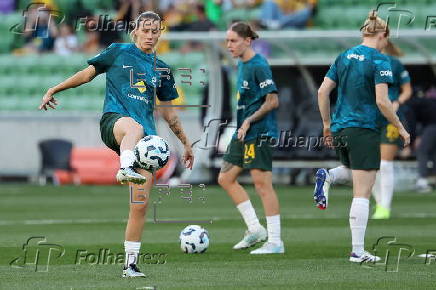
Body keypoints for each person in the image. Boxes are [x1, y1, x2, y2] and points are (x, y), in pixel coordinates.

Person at [39, 11, 194, 277]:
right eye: (145, 30)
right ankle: (124, 166)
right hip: (115, 123)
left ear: (160, 33)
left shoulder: (163, 69)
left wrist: (185, 143)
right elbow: (86, 75)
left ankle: (130, 265)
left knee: (141, 204)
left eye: (155, 31)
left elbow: (168, 113)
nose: (150, 35)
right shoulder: (118, 51)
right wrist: (54, 89)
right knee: (132, 126)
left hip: (145, 141)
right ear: (135, 31)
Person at [314, 10, 410, 263]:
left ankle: (329, 175)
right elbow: (382, 101)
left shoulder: (343, 56)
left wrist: (326, 124)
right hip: (364, 128)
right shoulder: (380, 60)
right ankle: (357, 251)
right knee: (363, 191)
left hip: (340, 127)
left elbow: (322, 92)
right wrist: (400, 126)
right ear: (383, 35)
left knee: (354, 172)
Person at [218, 22, 284, 254]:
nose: (229, 45)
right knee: (226, 178)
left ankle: (275, 241)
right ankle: (255, 229)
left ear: (248, 40)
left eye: (233, 41)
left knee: (262, 185)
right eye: (227, 41)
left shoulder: (259, 65)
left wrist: (248, 120)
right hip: (244, 131)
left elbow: (273, 100)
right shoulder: (241, 64)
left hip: (260, 131)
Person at [371, 41, 412, 219]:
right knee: (368, 164)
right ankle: (379, 202)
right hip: (369, 117)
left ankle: (384, 207)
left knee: (385, 163)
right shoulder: (363, 61)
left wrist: (398, 102)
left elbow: (407, 90)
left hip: (390, 118)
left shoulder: (394, 63)